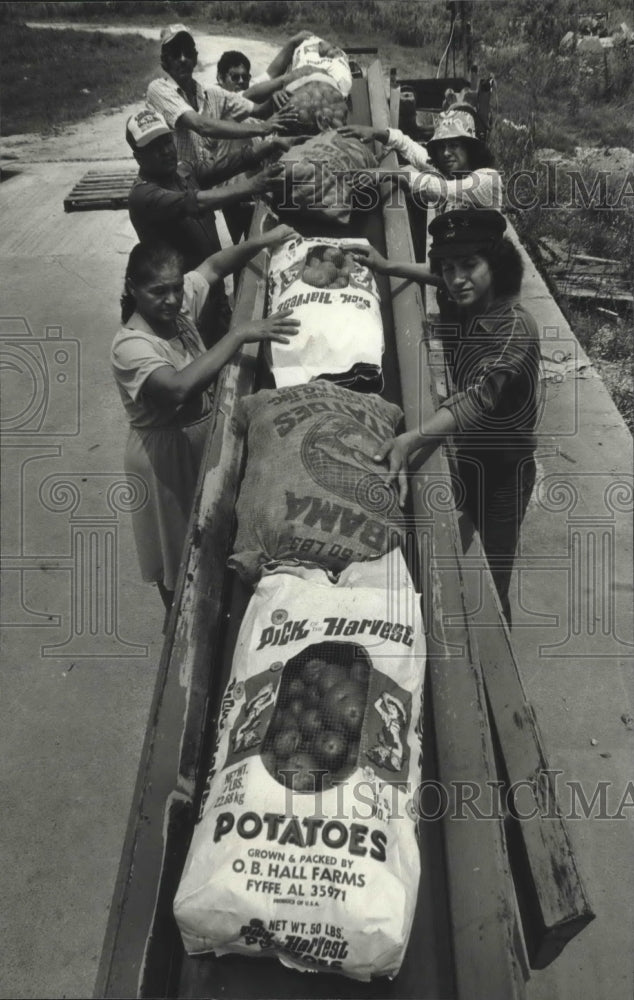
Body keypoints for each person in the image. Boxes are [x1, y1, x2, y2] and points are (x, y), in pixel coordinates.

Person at [359, 210, 541, 626]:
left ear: (495, 265)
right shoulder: (468, 295)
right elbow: (433, 275)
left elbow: (478, 398)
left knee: (492, 577)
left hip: (504, 469)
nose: (456, 278)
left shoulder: (512, 327)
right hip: (468, 451)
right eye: (449, 266)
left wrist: (411, 438)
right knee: (456, 550)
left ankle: (497, 654)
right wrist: (386, 265)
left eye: (469, 266)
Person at [111, 226, 299, 611]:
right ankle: (179, 628)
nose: (172, 298)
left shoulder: (177, 315)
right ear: (132, 288)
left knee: (210, 536)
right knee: (178, 552)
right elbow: (178, 388)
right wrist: (238, 335)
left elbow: (213, 266)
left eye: (177, 287)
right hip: (164, 456)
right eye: (158, 291)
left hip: (198, 438)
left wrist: (262, 241)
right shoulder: (131, 345)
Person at [125, 108, 291, 340]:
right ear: (138, 157)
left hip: (213, 290)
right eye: (154, 148)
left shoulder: (183, 171)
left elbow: (226, 164)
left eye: (167, 141)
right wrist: (252, 185)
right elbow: (197, 202)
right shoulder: (143, 195)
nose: (166, 151)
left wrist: (270, 145)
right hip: (180, 301)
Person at [146, 24, 297, 171]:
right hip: (177, 186)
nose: (183, 59)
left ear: (195, 57)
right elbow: (201, 125)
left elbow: (261, 111)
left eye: (187, 52)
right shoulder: (158, 89)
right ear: (164, 63)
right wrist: (261, 128)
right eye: (175, 54)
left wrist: (278, 96)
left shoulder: (211, 94)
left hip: (206, 185)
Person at [338, 104, 502, 212]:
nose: (445, 153)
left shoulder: (488, 179)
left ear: (470, 149)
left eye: (453, 145)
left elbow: (440, 189)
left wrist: (388, 173)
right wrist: (375, 133)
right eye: (441, 147)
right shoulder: (447, 172)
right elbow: (407, 145)